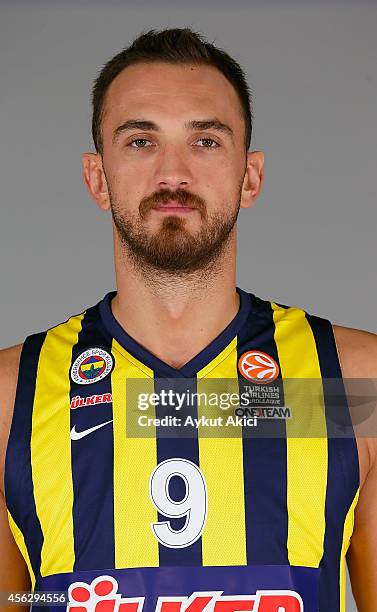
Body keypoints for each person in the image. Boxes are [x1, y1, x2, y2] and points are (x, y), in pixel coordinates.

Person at [0, 27, 376, 612]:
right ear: (97, 177)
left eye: (205, 141)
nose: (172, 173)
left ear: (250, 176)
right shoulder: (7, 397)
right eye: (140, 142)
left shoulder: (353, 385)